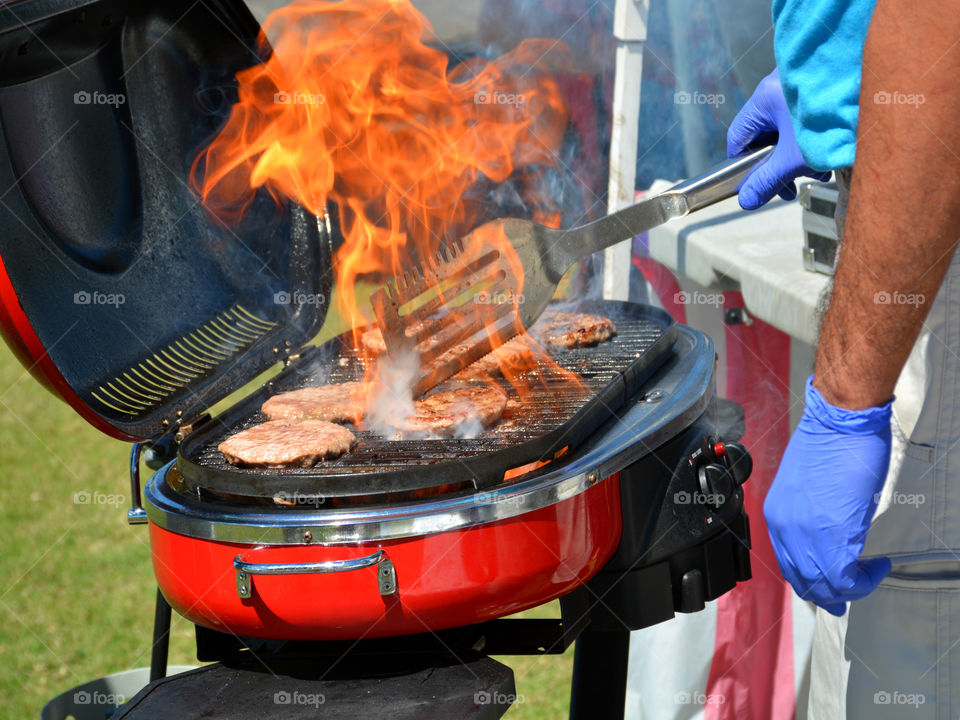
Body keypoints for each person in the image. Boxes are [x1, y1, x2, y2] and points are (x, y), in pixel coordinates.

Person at [729, 1, 960, 716]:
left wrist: (847, 403)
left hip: (933, 228)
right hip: (918, 167)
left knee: (905, 657)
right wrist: (831, 73)